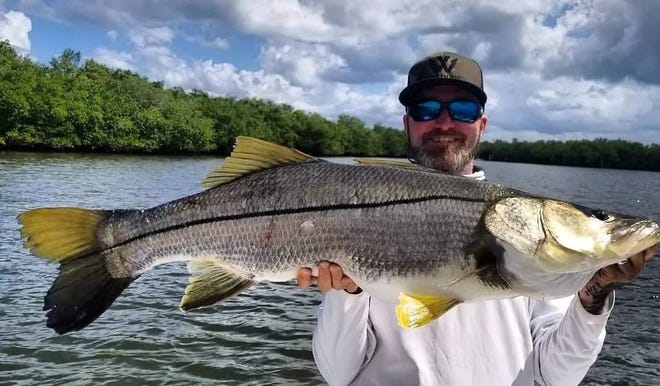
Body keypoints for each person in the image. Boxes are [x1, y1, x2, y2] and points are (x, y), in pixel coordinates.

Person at [297, 51, 658, 386]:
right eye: (426, 109)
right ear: (407, 125)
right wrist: (349, 294)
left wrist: (593, 296)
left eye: (463, 109)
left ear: (481, 124)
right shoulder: (363, 213)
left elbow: (556, 376)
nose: (444, 122)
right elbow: (339, 374)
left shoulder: (524, 234)